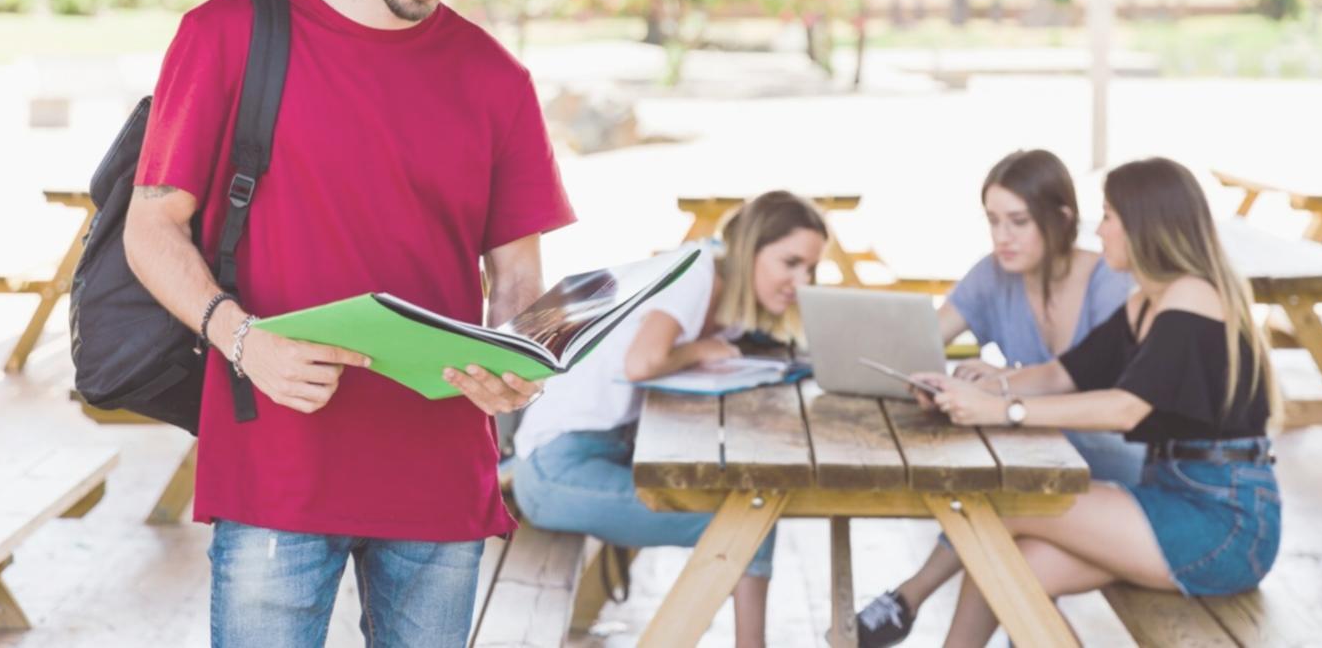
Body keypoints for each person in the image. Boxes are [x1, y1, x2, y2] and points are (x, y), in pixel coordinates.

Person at [124, 0, 574, 648]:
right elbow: (151, 229)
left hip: (440, 479)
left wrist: (521, 363)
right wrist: (241, 338)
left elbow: (518, 279)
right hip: (276, 465)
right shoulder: (227, 35)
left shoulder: (498, 80)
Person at [915, 157, 1281, 648]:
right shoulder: (1144, 304)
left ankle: (914, 607)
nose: (1100, 229)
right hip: (1170, 496)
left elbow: (1125, 408)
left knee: (1006, 504)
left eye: (1109, 217)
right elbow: (1063, 374)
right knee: (1015, 565)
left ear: (1142, 227)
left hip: (1225, 523)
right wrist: (985, 390)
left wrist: (1005, 412)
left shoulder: (1192, 296)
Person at [510, 191, 828, 648]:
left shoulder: (722, 293)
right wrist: (700, 350)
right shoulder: (695, 272)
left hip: (596, 455)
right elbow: (642, 362)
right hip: (555, 471)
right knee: (749, 520)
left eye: (811, 268)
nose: (802, 280)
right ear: (752, 248)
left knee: (749, 507)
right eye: (791, 263)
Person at [856, 149, 1145, 648]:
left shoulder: (1109, 281)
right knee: (1011, 529)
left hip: (1119, 456)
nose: (1002, 237)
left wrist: (1004, 382)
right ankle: (930, 606)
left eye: (1018, 221)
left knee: (1003, 496)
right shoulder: (993, 274)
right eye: (992, 220)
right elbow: (923, 339)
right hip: (1040, 449)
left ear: (1061, 219)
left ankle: (912, 592)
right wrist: (936, 382)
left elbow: (1115, 397)